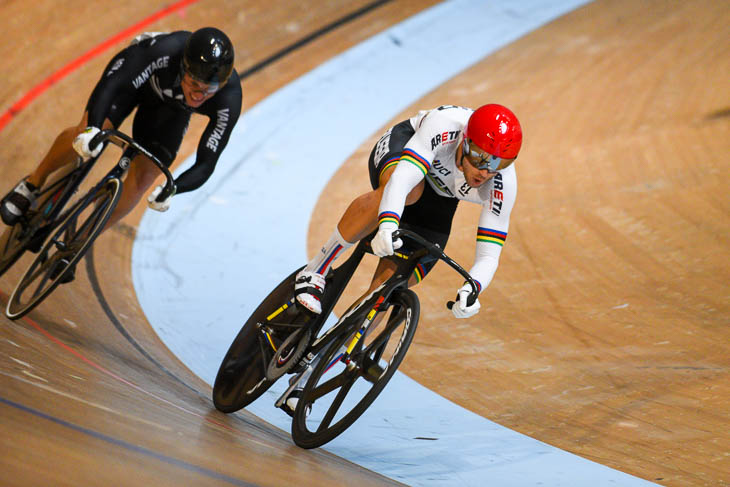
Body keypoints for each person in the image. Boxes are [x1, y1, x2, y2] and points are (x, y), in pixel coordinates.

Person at [282, 103, 521, 414]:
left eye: (498, 162)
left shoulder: (502, 183)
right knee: (409, 192)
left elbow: (490, 252)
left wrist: (473, 287)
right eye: (480, 158)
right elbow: (404, 180)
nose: (486, 170)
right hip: (403, 153)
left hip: (439, 203)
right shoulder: (444, 126)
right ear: (465, 141)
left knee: (389, 290)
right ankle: (315, 271)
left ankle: (306, 379)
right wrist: (388, 222)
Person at [0, 27, 242, 282]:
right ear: (183, 68)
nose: (199, 94)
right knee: (90, 131)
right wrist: (92, 129)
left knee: (145, 176)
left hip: (169, 112)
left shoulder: (229, 96)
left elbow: (207, 163)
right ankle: (32, 184)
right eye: (194, 84)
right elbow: (113, 85)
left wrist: (173, 189)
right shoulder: (164, 51)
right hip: (131, 83)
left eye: (209, 90)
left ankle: (78, 243)